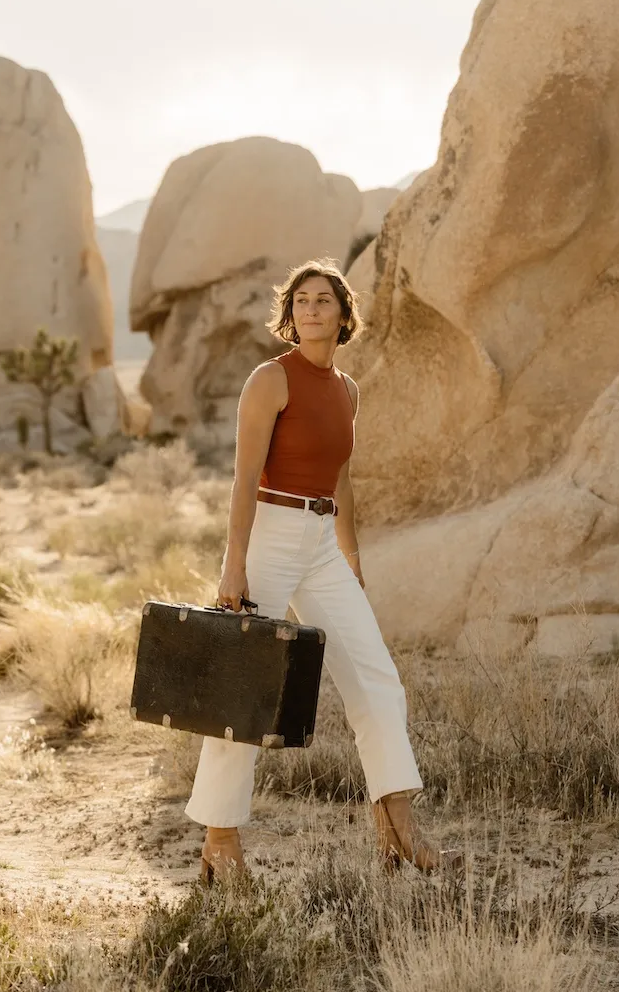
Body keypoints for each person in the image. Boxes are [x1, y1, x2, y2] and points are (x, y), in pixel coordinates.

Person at [185, 258, 456, 884]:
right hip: (270, 540)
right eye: (301, 299)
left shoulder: (347, 390)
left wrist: (351, 558)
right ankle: (220, 842)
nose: (311, 309)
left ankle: (397, 832)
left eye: (323, 300)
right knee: (242, 692)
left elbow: (340, 477)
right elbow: (244, 479)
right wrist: (235, 566)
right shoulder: (269, 381)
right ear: (290, 314)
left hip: (323, 546)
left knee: (378, 680)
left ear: (342, 315)